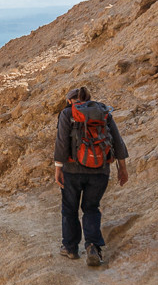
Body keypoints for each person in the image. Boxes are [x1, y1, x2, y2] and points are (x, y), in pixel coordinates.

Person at [53, 86, 129, 266]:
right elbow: (117, 140)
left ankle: (70, 248)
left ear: (70, 101)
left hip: (72, 171)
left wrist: (58, 168)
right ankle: (93, 246)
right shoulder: (102, 112)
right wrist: (122, 168)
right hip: (100, 170)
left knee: (70, 208)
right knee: (91, 208)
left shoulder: (67, 113)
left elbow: (61, 142)